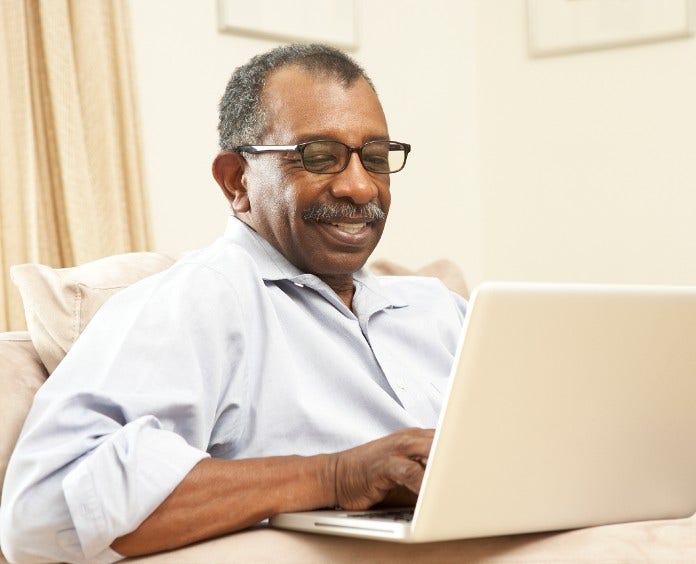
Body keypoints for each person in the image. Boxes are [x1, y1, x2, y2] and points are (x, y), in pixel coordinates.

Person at [0, 44, 466, 563]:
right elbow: (40, 513)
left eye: (375, 158)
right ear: (236, 180)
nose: (360, 186)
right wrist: (335, 474)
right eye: (319, 155)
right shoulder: (197, 301)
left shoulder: (438, 309)